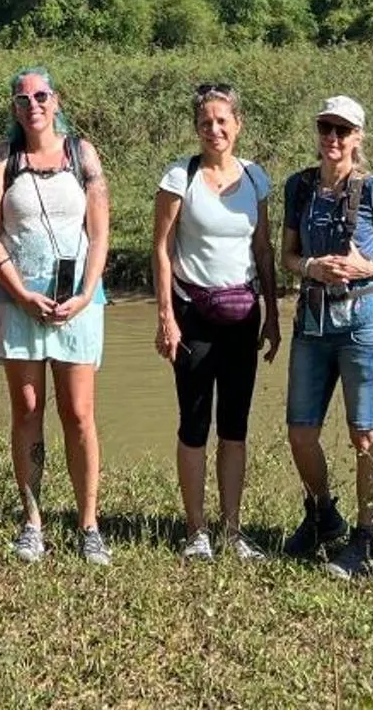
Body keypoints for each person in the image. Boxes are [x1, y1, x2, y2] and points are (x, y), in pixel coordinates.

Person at [0, 67, 113, 564]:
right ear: (14, 107)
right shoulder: (2, 158)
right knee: (28, 411)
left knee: (78, 413)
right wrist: (19, 292)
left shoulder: (83, 154)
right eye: (22, 98)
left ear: (55, 100)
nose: (32, 104)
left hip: (78, 302)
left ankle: (89, 524)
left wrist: (86, 293)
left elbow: (99, 233)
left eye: (41, 95)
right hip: (17, 301)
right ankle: (32, 522)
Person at [280, 95, 373, 580]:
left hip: (366, 321)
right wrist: (311, 266)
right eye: (326, 128)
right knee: (300, 430)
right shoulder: (299, 187)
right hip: (312, 321)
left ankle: (364, 539)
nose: (333, 138)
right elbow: (288, 255)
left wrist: (366, 266)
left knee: (364, 431)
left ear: (358, 137)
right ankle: (321, 514)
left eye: (343, 130)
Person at [152, 80, 280, 560]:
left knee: (235, 425)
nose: (214, 129)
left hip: (243, 315)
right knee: (194, 422)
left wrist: (272, 315)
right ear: (196, 128)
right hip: (192, 315)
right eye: (205, 122)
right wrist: (166, 315)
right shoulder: (178, 178)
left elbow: (262, 249)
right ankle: (196, 531)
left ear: (237, 125)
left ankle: (231, 529)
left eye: (222, 121)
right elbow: (162, 250)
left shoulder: (255, 179)